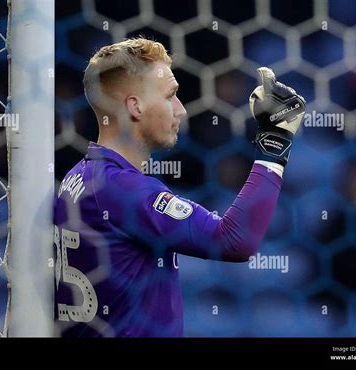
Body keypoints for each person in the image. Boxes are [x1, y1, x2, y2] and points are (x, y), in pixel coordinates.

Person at [53, 37, 306, 337]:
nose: (181, 110)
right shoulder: (121, 188)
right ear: (135, 106)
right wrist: (274, 147)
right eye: (170, 96)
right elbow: (236, 240)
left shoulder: (77, 177)